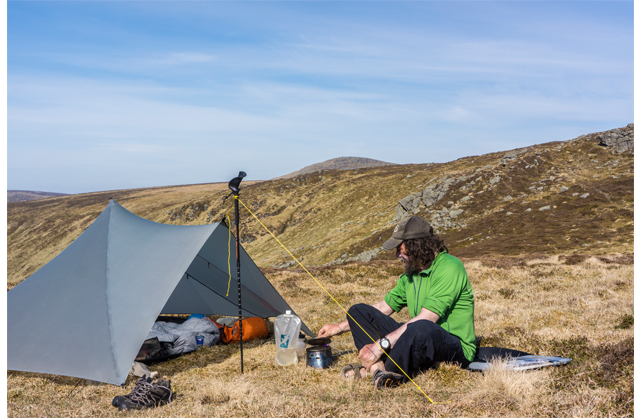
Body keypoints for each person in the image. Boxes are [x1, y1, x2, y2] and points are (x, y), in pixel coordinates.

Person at [318, 215, 476, 389]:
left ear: (417, 246)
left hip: (454, 347)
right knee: (359, 311)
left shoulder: (449, 267)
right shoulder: (411, 274)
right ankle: (377, 370)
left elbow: (428, 318)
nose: (397, 255)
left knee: (421, 327)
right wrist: (339, 328)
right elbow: (383, 307)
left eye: (400, 249)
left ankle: (387, 370)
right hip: (420, 339)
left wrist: (380, 346)